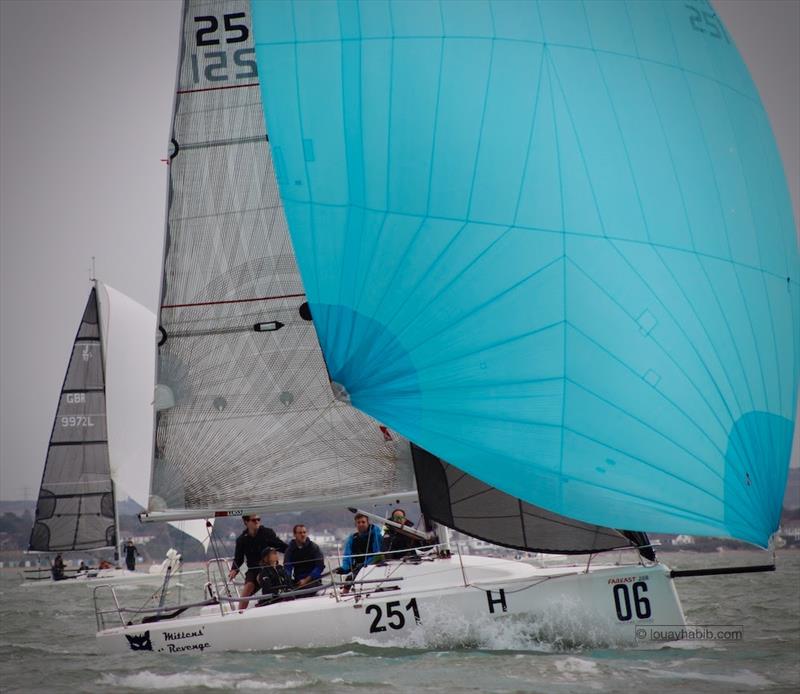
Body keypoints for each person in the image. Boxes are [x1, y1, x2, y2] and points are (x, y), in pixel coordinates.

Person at [228, 515, 288, 610]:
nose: (257, 522)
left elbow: (281, 546)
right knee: (248, 586)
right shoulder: (242, 540)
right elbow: (238, 558)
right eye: (253, 520)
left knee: (263, 578)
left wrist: (293, 552)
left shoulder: (267, 533)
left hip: (268, 567)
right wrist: (234, 570)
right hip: (252, 569)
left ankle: (271, 604)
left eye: (258, 519)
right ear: (246, 522)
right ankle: (240, 613)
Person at [284, 524, 325, 594]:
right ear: (295, 535)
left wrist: (306, 580)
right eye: (300, 533)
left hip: (313, 580)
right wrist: (288, 582)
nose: (303, 535)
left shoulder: (314, 548)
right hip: (298, 581)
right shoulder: (290, 550)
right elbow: (288, 568)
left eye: (304, 532)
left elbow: (319, 566)